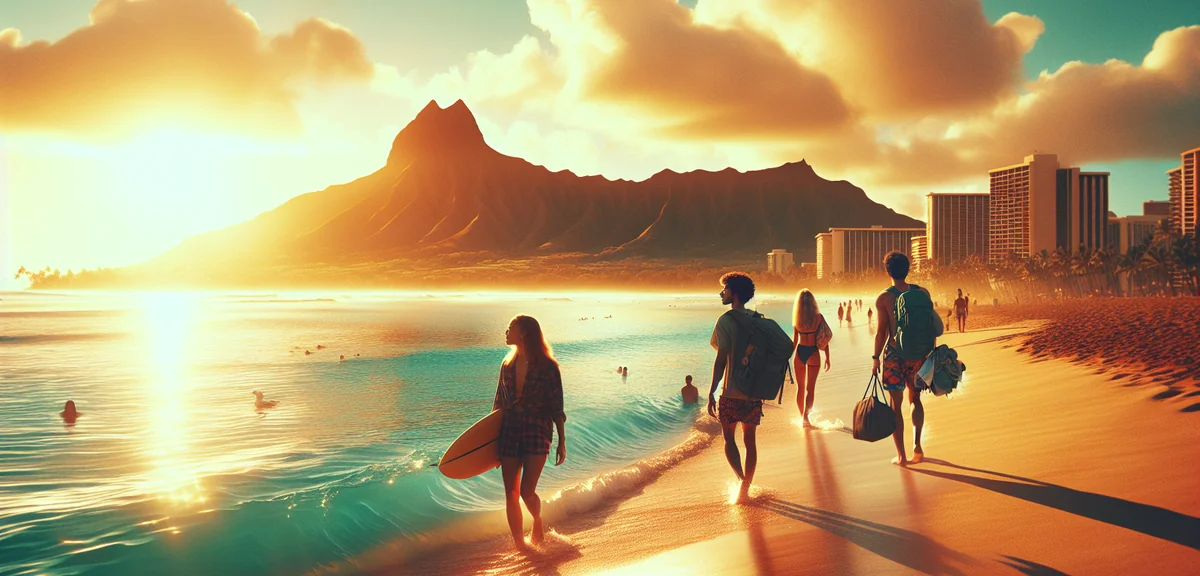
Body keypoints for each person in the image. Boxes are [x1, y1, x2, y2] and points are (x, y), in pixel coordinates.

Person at [492, 315, 567, 550]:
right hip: (510, 431)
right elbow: (498, 405)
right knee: (511, 493)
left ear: (523, 333)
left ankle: (537, 520)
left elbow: (557, 406)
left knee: (526, 491)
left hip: (537, 430)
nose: (506, 332)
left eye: (510, 328)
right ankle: (520, 545)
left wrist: (562, 442)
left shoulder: (547, 366)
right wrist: (489, 446)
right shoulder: (507, 365)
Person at [872, 252, 943, 466]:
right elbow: (930, 325)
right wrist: (930, 352)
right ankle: (917, 447)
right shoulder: (922, 292)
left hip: (895, 354)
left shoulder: (884, 298)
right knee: (916, 399)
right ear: (908, 269)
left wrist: (875, 358)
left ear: (887, 271)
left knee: (896, 404)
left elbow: (881, 332)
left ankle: (902, 456)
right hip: (918, 353)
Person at [708, 272, 761, 503]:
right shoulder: (758, 318)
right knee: (750, 441)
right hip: (753, 391)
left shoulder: (725, 321)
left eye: (725, 289)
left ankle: (741, 480)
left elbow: (721, 358)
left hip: (730, 391)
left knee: (729, 439)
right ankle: (746, 486)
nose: (722, 293)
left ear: (734, 293)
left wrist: (711, 390)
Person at [791, 289, 831, 427]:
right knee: (810, 389)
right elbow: (824, 337)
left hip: (800, 352)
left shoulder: (797, 318)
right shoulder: (818, 318)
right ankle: (806, 417)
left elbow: (795, 340)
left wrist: (786, 355)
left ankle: (801, 416)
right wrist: (827, 357)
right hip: (813, 352)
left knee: (800, 388)